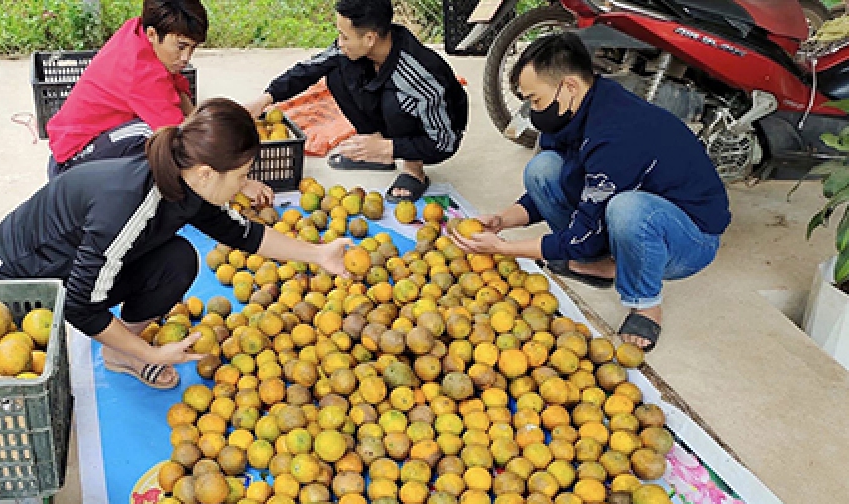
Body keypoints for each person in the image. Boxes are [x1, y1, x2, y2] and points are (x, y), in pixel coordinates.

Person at [0, 99, 350, 389]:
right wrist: (150, 352)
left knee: (178, 258)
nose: (244, 185)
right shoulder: (129, 205)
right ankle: (128, 353)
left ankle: (118, 351)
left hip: (72, 262)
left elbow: (244, 234)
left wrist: (319, 254)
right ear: (207, 173)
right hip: (18, 280)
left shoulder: (186, 180)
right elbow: (79, 306)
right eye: (241, 175)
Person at [450, 33, 730, 351]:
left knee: (628, 210)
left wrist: (502, 249)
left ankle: (646, 303)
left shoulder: (614, 135)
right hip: (626, 210)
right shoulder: (577, 109)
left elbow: (589, 223)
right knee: (543, 169)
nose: (532, 109)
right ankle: (598, 261)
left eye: (535, 99)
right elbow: (565, 188)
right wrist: (504, 220)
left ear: (569, 86)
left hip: (689, 238)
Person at [46, 0, 272, 205]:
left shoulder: (139, 32)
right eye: (181, 47)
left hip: (91, 141)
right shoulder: (142, 74)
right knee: (161, 140)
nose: (186, 58)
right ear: (153, 34)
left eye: (192, 48)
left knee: (177, 133)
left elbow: (178, 95)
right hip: (73, 163)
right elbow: (183, 140)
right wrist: (239, 182)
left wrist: (203, 121)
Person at [243, 0, 468, 203]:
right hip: (394, 113)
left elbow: (444, 141)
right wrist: (265, 99)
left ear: (370, 38)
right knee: (336, 73)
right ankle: (374, 149)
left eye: (344, 36)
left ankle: (413, 170)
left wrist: (390, 147)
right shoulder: (356, 49)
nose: (340, 42)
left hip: (440, 130)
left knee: (395, 102)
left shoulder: (418, 75)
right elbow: (311, 68)